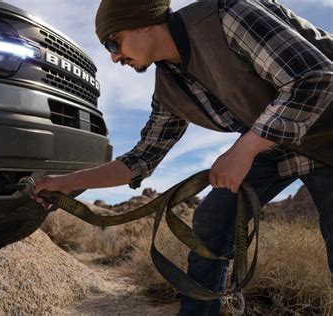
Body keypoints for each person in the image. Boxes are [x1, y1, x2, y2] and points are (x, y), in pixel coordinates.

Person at [32, 0, 333, 314]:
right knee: (211, 221)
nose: (114, 56)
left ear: (144, 21)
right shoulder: (169, 90)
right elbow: (140, 159)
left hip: (327, 130)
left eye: (113, 41)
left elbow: (314, 78)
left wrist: (245, 149)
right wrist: (66, 182)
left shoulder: (226, 15)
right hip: (277, 146)